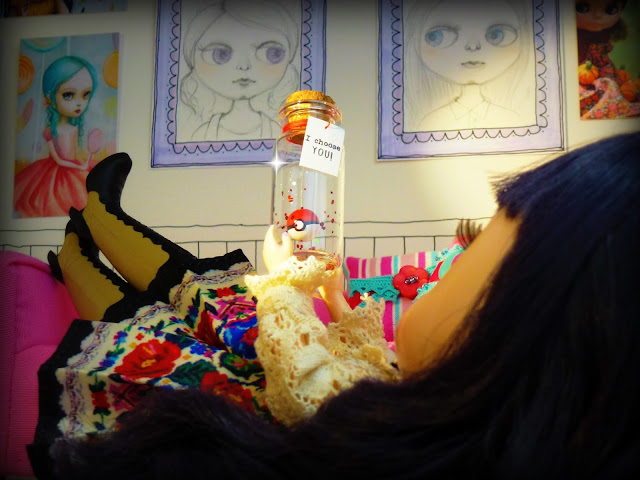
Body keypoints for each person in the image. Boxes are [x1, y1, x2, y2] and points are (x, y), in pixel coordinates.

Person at [36, 131, 640, 477]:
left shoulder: (383, 439)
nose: (450, 267)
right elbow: (373, 355)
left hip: (227, 372)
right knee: (208, 291)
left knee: (146, 324)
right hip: (252, 345)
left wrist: (282, 286)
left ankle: (76, 250)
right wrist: (336, 299)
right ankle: (100, 215)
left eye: (475, 250)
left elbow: (308, 382)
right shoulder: (422, 402)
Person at [402, 0, 536, 132]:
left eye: (496, 35)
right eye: (439, 36)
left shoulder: (511, 120)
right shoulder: (430, 122)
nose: (473, 46)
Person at [177, 0, 300, 142]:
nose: (244, 66)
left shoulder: (276, 131)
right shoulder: (203, 133)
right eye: (220, 55)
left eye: (271, 53)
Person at [14, 55, 98, 217]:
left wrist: (84, 162)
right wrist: (79, 167)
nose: (79, 103)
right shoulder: (50, 131)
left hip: (76, 166)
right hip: (58, 172)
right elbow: (58, 159)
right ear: (51, 97)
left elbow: (75, 152)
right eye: (68, 95)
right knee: (58, 200)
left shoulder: (74, 127)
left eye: (86, 94)